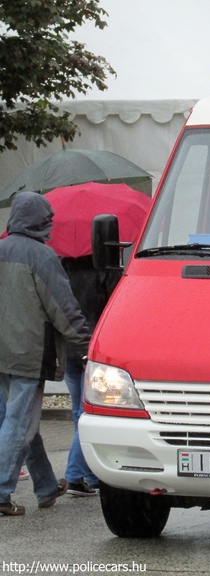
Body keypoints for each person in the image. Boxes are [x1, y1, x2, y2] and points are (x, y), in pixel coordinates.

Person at [0, 192, 91, 516]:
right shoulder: (42, 256)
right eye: (48, 219)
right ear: (40, 220)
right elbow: (63, 309)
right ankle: (1, 492)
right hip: (29, 352)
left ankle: (45, 487)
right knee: (19, 423)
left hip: (3, 353)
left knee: (24, 422)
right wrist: (88, 345)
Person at [61, 256, 121, 497]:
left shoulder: (60, 268)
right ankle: (76, 475)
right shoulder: (104, 269)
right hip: (95, 344)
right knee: (90, 411)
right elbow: (117, 304)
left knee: (79, 411)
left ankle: (91, 474)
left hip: (67, 346)